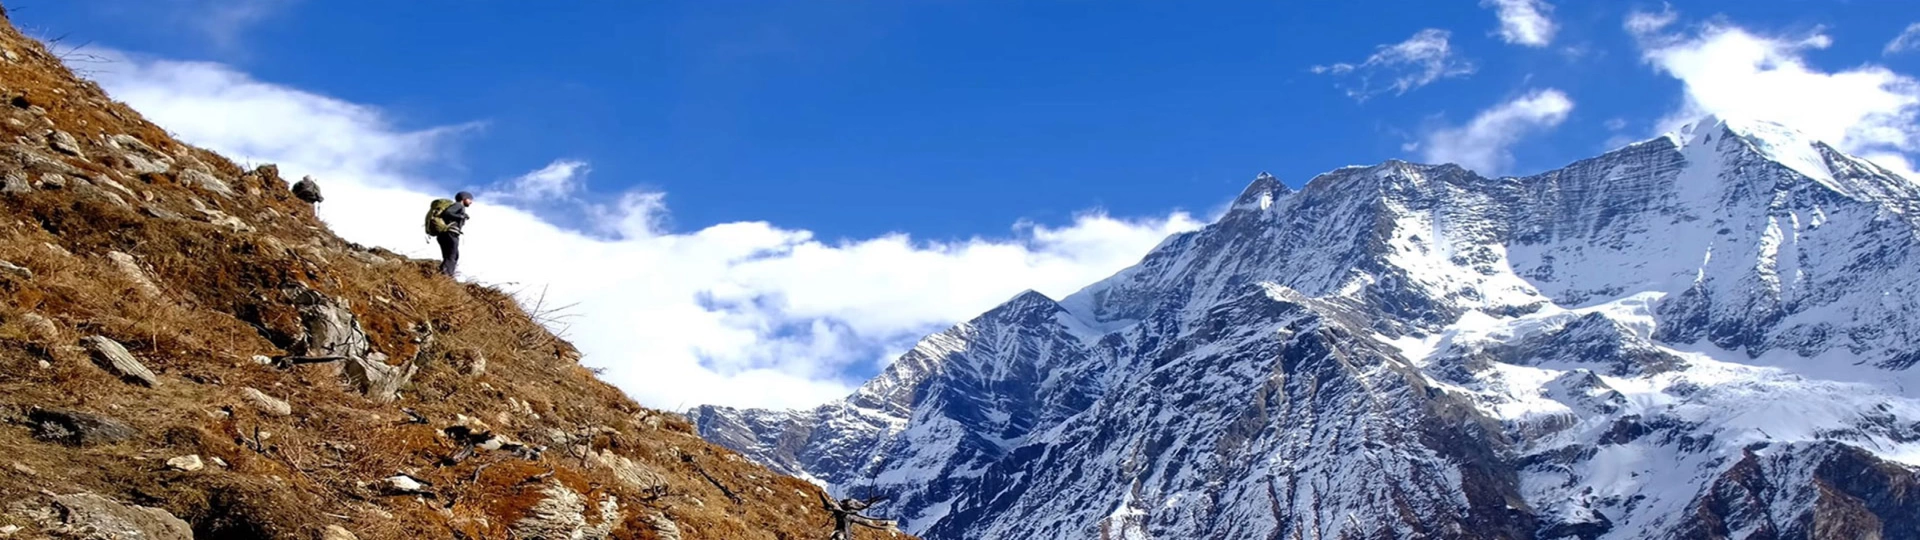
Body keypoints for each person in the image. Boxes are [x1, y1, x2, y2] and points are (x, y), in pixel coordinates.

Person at [436, 191, 473, 277]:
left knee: (449, 256)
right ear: (464, 198)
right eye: (470, 199)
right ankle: (445, 276)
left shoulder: (458, 207)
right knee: (453, 256)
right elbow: (448, 213)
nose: (471, 202)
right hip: (450, 233)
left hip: (444, 234)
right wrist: (461, 216)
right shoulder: (458, 205)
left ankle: (442, 275)